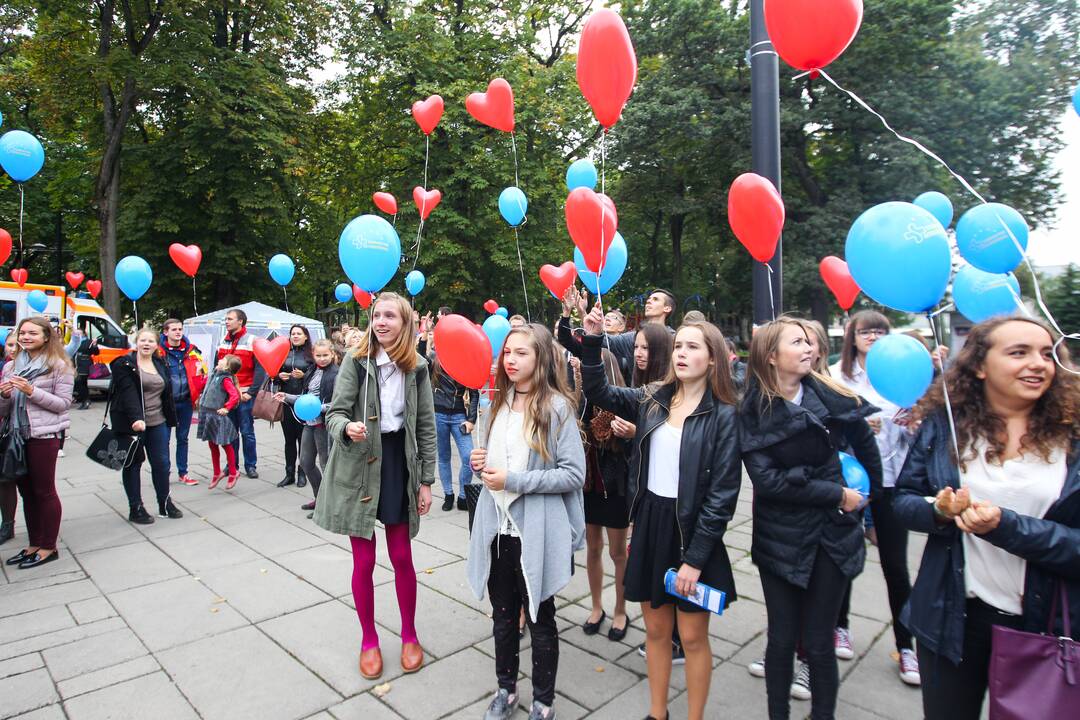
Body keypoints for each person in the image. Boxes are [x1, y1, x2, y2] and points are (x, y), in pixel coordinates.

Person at [893, 317, 1079, 720]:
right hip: (950, 618)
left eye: (1047, 354)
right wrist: (938, 511)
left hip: (1045, 624)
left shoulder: (1073, 435)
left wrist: (1005, 527)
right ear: (979, 365)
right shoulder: (947, 426)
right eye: (1019, 352)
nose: (1038, 364)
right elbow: (904, 499)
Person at [582, 308, 741, 720]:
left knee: (690, 637)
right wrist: (593, 340)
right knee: (655, 630)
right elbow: (600, 391)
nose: (682, 354)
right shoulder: (653, 397)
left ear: (713, 358)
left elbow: (722, 496)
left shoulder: (723, 414)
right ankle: (657, 713)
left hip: (691, 530)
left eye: (693, 347)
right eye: (678, 346)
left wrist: (695, 560)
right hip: (651, 522)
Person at [741, 317, 882, 720]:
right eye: (797, 341)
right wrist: (836, 493)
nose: (809, 348)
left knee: (819, 643)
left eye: (810, 342)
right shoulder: (753, 410)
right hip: (780, 539)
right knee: (781, 640)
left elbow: (869, 457)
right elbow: (768, 482)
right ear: (771, 356)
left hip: (832, 537)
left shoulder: (834, 399)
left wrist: (868, 504)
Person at [313, 292, 437, 680]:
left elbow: (426, 426)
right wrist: (345, 428)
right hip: (358, 462)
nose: (381, 321)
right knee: (363, 560)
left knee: (402, 556)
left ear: (405, 322)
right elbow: (333, 412)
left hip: (399, 461)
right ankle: (368, 639)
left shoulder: (417, 366)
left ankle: (409, 635)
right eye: (376, 315)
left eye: (390, 316)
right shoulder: (355, 359)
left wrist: (427, 480)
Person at [467, 323, 586, 720]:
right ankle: (506, 690)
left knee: (540, 619)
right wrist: (478, 462)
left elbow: (573, 474)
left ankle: (543, 700)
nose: (511, 360)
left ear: (541, 358)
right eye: (508, 352)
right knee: (503, 618)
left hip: (535, 531)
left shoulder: (556, 408)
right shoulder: (495, 403)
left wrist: (514, 479)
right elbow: (490, 461)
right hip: (496, 529)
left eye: (522, 353)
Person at [826, 310, 920, 684]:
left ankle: (907, 644)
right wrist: (859, 424)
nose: (873, 336)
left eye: (880, 330)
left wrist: (913, 422)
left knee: (896, 566)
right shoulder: (839, 376)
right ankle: (840, 625)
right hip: (852, 481)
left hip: (894, 482)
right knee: (846, 558)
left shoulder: (905, 377)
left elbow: (919, 438)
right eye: (866, 331)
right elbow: (828, 428)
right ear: (852, 336)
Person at [0, 318, 73, 569]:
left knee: (44, 491)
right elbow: (5, 409)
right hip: (16, 436)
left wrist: (32, 391)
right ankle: (34, 543)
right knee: (27, 493)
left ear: (46, 337)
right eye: (23, 332)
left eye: (33, 333)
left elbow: (63, 404)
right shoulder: (11, 367)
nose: (26, 337)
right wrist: (3, 395)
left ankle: (49, 546)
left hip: (44, 436)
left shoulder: (59, 366)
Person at [574, 344, 632, 642]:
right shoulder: (579, 401)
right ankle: (597, 607)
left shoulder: (623, 403)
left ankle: (621, 610)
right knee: (593, 548)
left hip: (615, 488)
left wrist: (625, 435)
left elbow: (634, 450)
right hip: (588, 486)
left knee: (617, 552)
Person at [110, 328, 181, 524]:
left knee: (162, 463)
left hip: (157, 421)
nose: (146, 344)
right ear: (136, 342)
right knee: (133, 463)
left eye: (151, 341)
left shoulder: (159, 363)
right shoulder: (124, 364)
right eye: (143, 340)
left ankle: (165, 502)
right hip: (132, 423)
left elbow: (166, 393)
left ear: (157, 345)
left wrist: (171, 417)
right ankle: (136, 507)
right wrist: (136, 418)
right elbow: (128, 393)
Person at [276, 339, 338, 517]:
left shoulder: (337, 374)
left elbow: (340, 402)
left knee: (327, 466)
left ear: (332, 354)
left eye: (325, 355)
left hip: (324, 425)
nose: (322, 358)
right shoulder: (311, 370)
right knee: (306, 462)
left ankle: (328, 506)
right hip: (310, 423)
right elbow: (307, 399)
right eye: (318, 355)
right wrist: (286, 396)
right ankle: (320, 499)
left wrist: (322, 408)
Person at [426, 345, 478, 512]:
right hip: (438, 413)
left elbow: (475, 392)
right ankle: (448, 494)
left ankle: (464, 495)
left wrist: (471, 419)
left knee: (468, 457)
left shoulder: (466, 362)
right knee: (443, 457)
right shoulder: (435, 359)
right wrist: (424, 335)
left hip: (459, 416)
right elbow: (418, 360)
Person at [160, 319, 207, 486]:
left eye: (180, 329)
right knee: (163, 439)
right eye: (174, 329)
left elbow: (202, 370)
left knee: (183, 438)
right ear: (165, 332)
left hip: (186, 402)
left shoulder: (191, 350)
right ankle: (163, 473)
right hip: (165, 404)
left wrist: (199, 389)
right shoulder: (158, 352)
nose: (178, 332)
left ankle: (183, 473)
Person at [216, 308, 262, 478]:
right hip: (227, 395)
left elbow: (260, 369)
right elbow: (217, 367)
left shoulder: (252, 341)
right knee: (230, 432)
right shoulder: (223, 341)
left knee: (247, 431)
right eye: (226, 319)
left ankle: (250, 465)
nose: (226, 321)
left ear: (240, 322)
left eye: (230, 319)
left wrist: (251, 392)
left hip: (244, 394)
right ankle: (231, 464)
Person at [276, 325, 315, 488]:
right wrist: (279, 376)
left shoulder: (311, 355)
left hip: (304, 402)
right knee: (289, 440)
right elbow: (273, 375)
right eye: (293, 334)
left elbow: (317, 377)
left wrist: (304, 375)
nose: (295, 336)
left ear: (306, 336)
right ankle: (289, 473)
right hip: (286, 401)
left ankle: (302, 473)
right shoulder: (284, 353)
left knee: (303, 440)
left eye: (299, 333)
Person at [198, 355, 242, 489]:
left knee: (225, 444)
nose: (220, 359)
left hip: (216, 415)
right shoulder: (215, 374)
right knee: (212, 444)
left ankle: (233, 472)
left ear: (227, 366)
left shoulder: (225, 379)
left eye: (223, 359)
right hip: (207, 413)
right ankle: (216, 472)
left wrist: (226, 408)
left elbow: (234, 396)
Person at [0, 331, 18, 545]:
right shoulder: (5, 367)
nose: (12, 349)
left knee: (8, 480)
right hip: (5, 427)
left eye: (16, 345)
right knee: (4, 482)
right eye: (10, 345)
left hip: (18, 431)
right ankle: (8, 524)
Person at [70, 321, 98, 410]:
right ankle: (85, 400)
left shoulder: (88, 341)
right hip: (77, 364)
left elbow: (96, 352)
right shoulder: (75, 342)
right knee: (81, 383)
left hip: (84, 364)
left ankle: (85, 400)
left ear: (84, 334)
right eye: (76, 333)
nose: (78, 335)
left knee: (80, 383)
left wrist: (94, 345)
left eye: (79, 333)